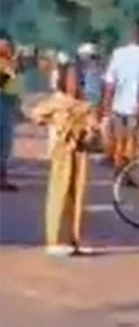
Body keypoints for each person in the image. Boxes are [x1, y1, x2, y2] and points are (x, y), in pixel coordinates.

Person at [30, 64, 97, 256]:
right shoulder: (56, 101)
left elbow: (94, 128)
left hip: (80, 152)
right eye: (70, 79)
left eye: (77, 80)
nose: (74, 84)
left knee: (78, 195)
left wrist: (89, 132)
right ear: (63, 81)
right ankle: (56, 239)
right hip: (61, 153)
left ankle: (75, 239)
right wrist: (56, 125)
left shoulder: (84, 105)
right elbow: (37, 114)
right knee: (59, 193)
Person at [101, 20, 139, 171]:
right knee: (131, 139)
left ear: (128, 37)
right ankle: (128, 168)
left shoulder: (117, 54)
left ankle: (119, 166)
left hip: (118, 104)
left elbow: (110, 83)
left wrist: (106, 105)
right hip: (135, 106)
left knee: (119, 138)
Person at [0, 34, 22, 191]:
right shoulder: (6, 66)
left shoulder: (9, 65)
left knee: (5, 146)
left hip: (7, 110)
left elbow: (15, 90)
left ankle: (2, 178)